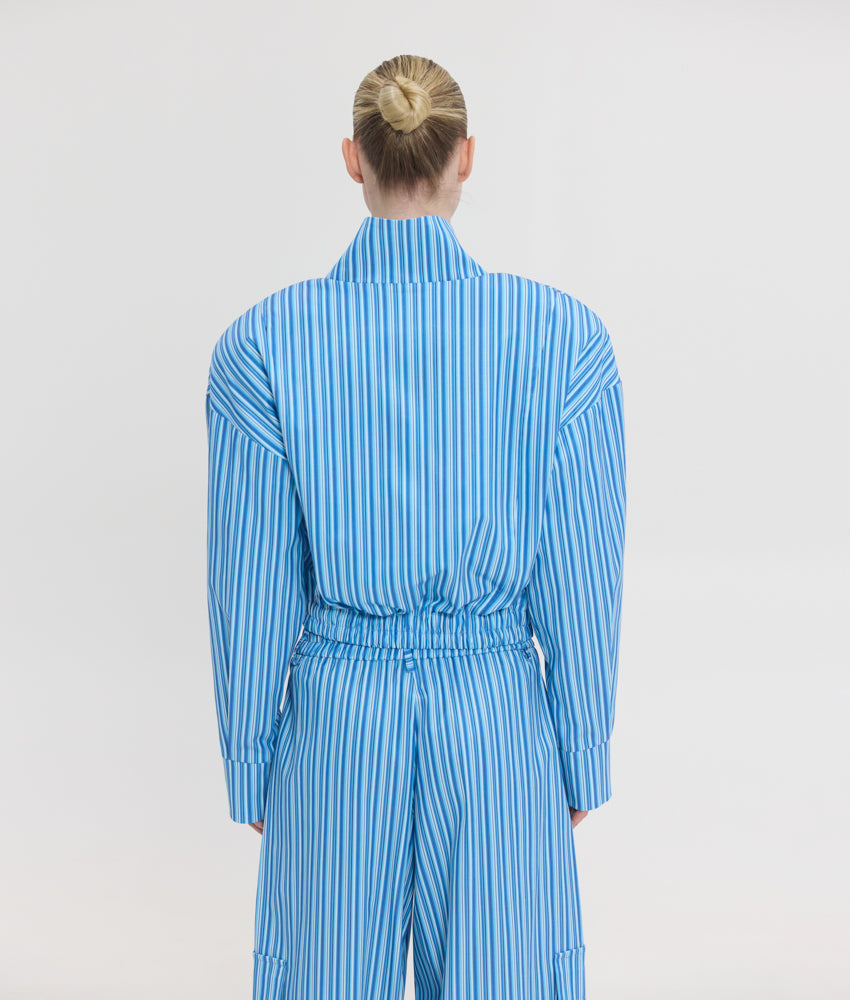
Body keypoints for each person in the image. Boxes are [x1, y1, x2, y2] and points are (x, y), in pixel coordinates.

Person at [205, 52, 626, 1000]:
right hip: (496, 722)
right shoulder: (564, 341)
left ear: (353, 158)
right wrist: (577, 753)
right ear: (464, 157)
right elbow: (583, 577)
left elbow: (248, 582)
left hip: (337, 724)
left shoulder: (263, 347)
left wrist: (254, 759)